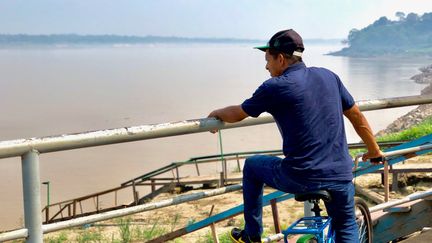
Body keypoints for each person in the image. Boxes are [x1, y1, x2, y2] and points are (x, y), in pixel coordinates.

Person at [207, 29, 383, 243]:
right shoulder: (329, 76)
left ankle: (251, 235)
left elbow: (238, 113)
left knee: (252, 166)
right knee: (345, 225)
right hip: (339, 173)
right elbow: (357, 117)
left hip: (300, 176)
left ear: (280, 59)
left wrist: (215, 114)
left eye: (267, 60)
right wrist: (374, 150)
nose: (266, 67)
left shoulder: (275, 87)